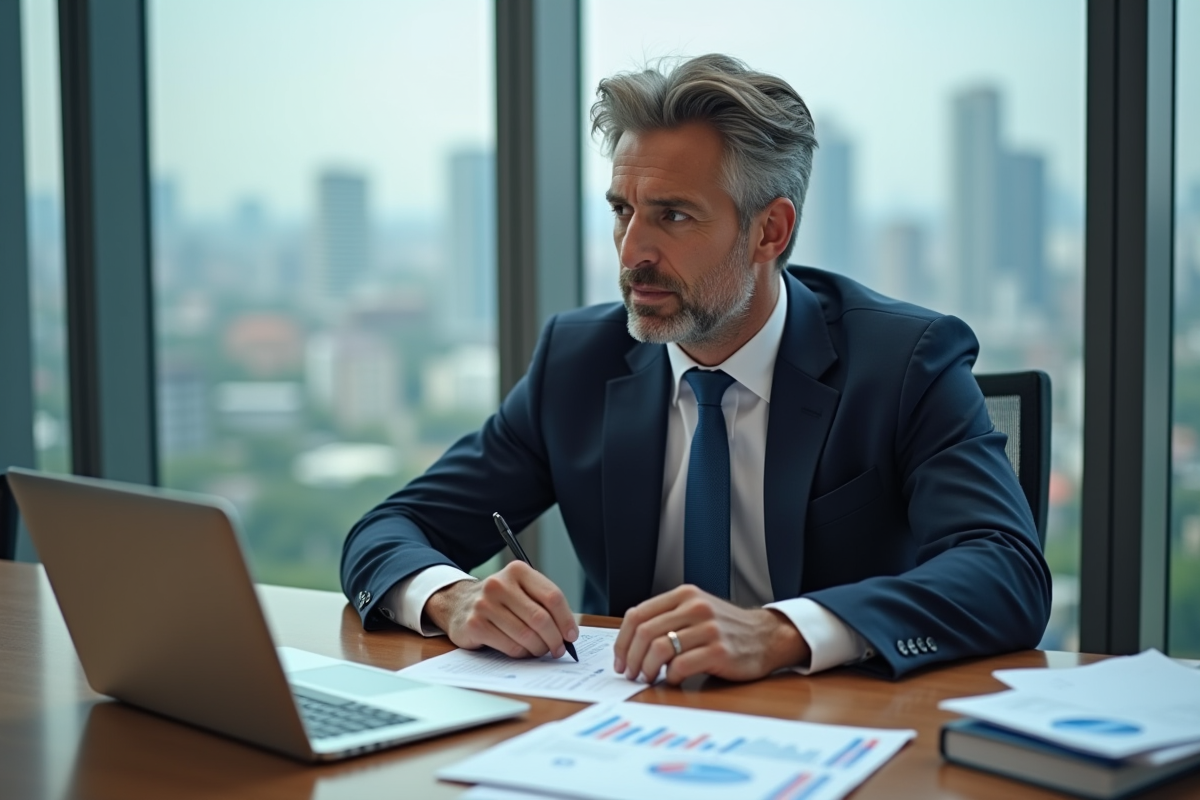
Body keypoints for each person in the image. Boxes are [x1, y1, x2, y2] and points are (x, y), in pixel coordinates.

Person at [341, 54, 1050, 683]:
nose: (631, 253)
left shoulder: (903, 361)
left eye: (674, 216)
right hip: (623, 734)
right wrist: (449, 595)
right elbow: (391, 527)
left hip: (839, 732)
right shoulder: (577, 362)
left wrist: (779, 631)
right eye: (623, 211)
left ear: (769, 230)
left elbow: (1007, 573)